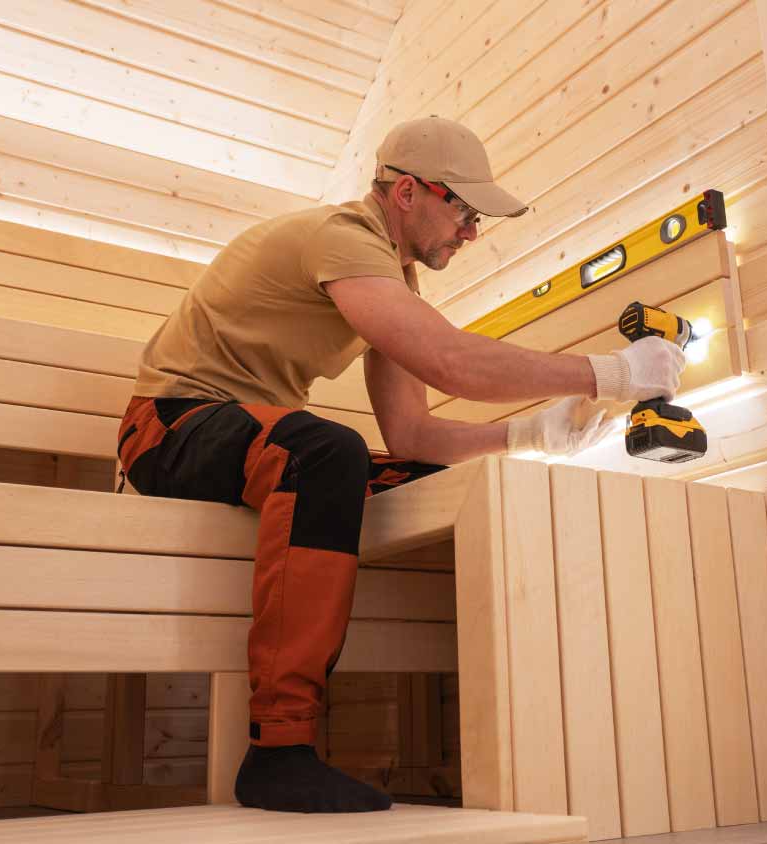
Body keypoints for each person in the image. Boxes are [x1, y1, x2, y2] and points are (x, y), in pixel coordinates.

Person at [116, 116, 686, 813]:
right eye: (465, 212)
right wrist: (610, 373)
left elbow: (412, 435)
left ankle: (516, 738)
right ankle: (279, 750)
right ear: (409, 192)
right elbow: (448, 359)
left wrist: (529, 434)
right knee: (324, 452)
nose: (471, 233)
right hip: (169, 428)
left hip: (249, 442)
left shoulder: (390, 282)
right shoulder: (343, 240)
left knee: (425, 482)